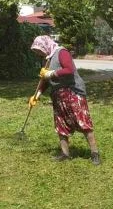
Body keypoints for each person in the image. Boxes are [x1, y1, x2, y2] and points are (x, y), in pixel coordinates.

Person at [29, 35, 101, 165]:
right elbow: (45, 80)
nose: (39, 53)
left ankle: (95, 153)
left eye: (39, 50)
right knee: (60, 124)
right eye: (37, 52)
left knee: (83, 122)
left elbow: (69, 70)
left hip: (73, 93)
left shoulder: (61, 52)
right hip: (58, 96)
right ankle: (65, 154)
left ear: (45, 45)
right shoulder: (48, 59)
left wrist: (51, 73)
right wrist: (37, 94)